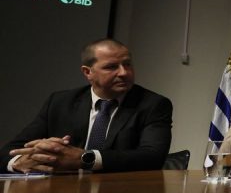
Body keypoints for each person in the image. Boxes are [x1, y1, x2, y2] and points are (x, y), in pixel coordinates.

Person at [1, 39, 173, 173]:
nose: (124, 73)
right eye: (111, 67)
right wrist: (20, 163)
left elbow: (152, 157)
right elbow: (10, 150)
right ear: (87, 72)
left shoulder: (153, 104)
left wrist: (85, 158)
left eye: (127, 64)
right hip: (60, 192)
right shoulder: (61, 102)